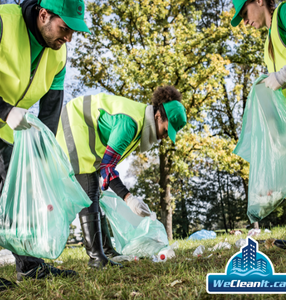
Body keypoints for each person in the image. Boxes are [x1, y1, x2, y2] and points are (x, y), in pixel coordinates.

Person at [0, 0, 90, 290]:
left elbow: (51, 111)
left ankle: (29, 267)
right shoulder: (4, 22)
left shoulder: (58, 56)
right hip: (6, 117)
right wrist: (5, 110)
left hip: (10, 132)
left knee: (20, 198)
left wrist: (40, 159)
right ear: (43, 15)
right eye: (65, 29)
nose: (68, 39)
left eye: (73, 32)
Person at [56, 86, 187, 268]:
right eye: (166, 130)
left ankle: (106, 251)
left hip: (79, 125)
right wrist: (128, 198)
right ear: (158, 116)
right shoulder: (130, 124)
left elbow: (108, 165)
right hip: (74, 124)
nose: (164, 137)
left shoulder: (140, 123)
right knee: (89, 189)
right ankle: (96, 258)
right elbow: (107, 168)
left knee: (94, 193)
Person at [231, 0, 286, 249]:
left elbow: (284, 78)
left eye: (244, 13)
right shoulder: (268, 45)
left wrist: (281, 77)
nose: (245, 21)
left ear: (259, 1)